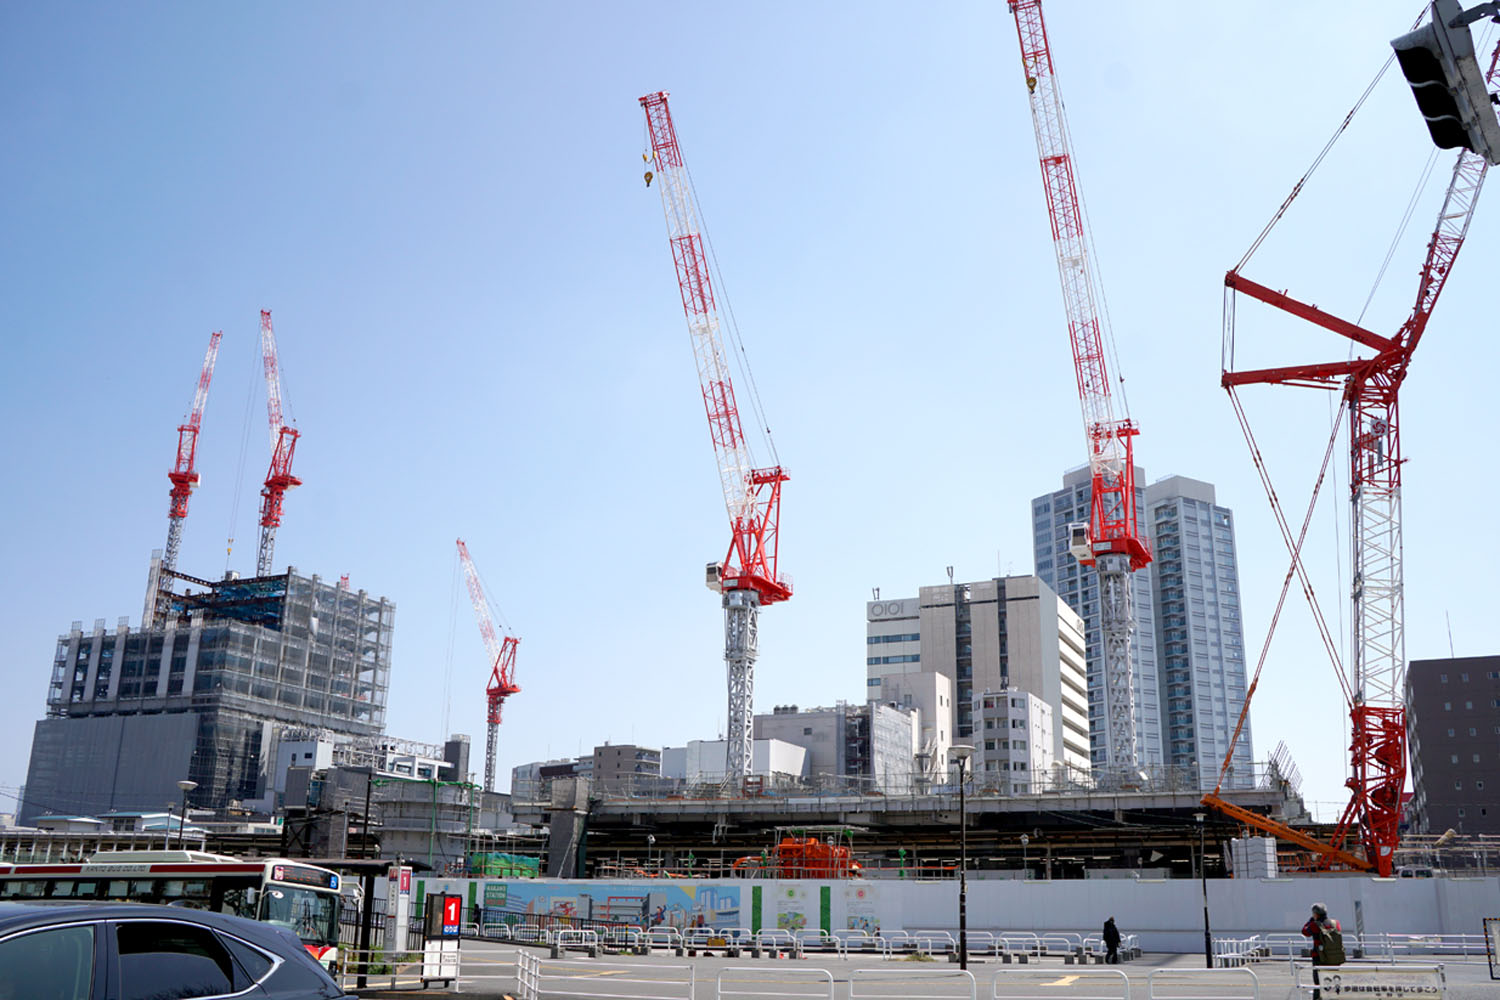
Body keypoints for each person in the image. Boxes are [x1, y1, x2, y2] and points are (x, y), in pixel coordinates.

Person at [1301, 902, 1344, 998]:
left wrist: (1310, 921)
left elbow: (1304, 931)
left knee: (1318, 983)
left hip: (1319, 958)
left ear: (1315, 914)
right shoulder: (1335, 923)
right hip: (1334, 958)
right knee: (1332, 981)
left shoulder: (1315, 925)